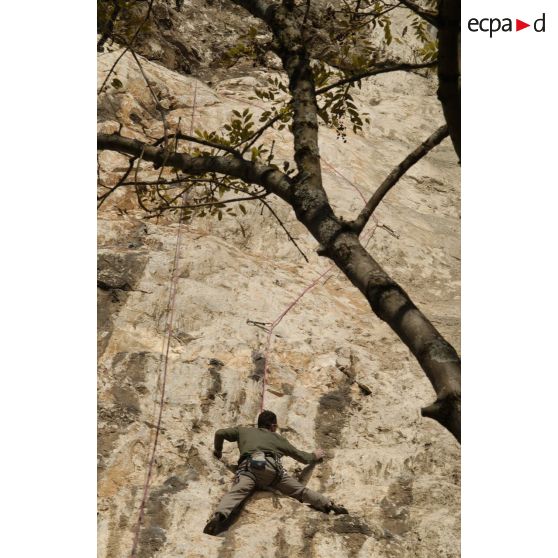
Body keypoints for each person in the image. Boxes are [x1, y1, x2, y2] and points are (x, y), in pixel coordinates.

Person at [203, 410, 348, 536]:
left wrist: (218, 451)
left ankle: (219, 516)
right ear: (273, 426)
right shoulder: (277, 438)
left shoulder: (243, 431)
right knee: (300, 491)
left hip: (249, 469)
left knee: (236, 492)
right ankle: (328, 504)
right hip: (271, 471)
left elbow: (220, 433)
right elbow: (302, 457)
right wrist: (314, 456)